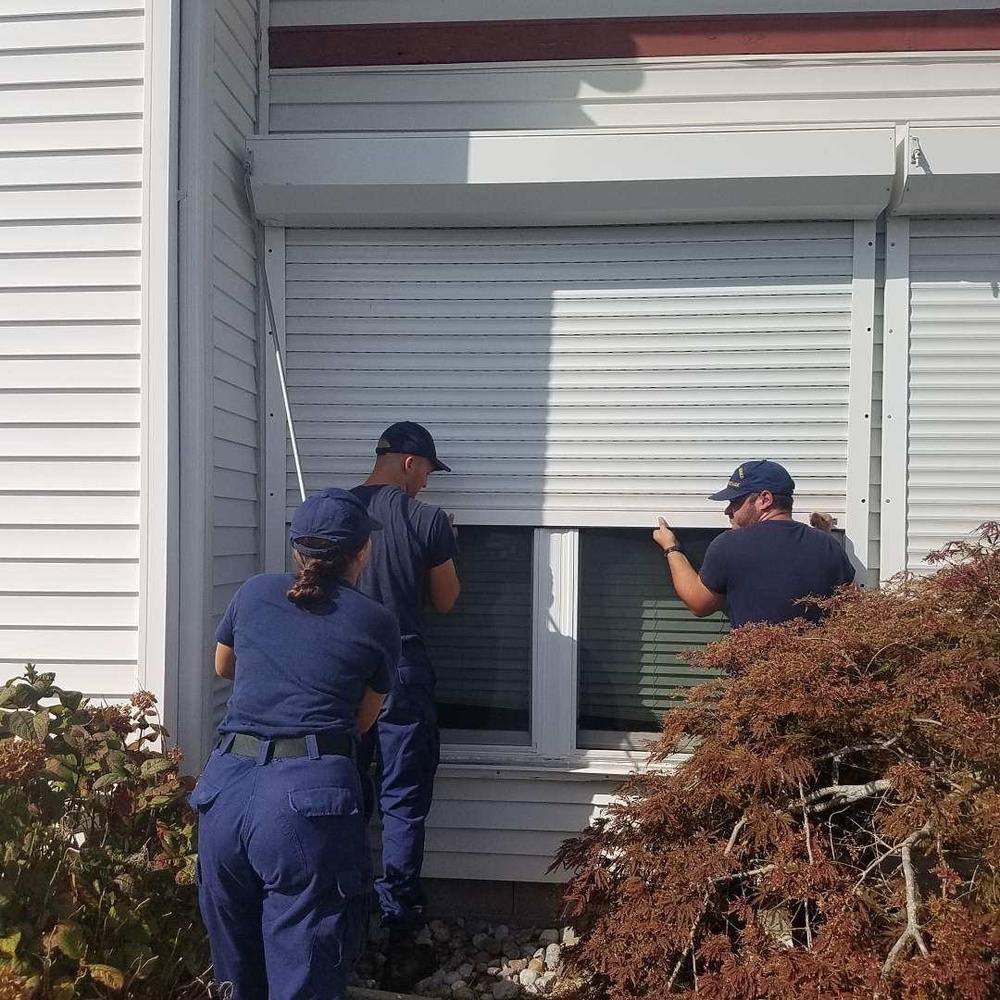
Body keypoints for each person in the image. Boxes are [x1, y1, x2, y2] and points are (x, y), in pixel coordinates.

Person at [190, 488, 399, 1000]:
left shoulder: (256, 591)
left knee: (234, 968)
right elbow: (364, 719)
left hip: (225, 791)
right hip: (306, 804)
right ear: (362, 553)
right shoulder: (376, 621)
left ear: (295, 551)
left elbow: (224, 666)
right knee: (304, 963)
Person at [350, 420, 461, 990]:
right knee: (401, 802)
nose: (425, 487)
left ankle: (340, 925)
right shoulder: (425, 520)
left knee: (343, 793)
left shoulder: (335, 510)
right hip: (400, 673)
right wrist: (444, 549)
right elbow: (446, 600)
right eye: (427, 475)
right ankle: (398, 938)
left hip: (340, 674)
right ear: (410, 463)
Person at [652, 459, 855, 627]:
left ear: (764, 499)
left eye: (736, 501)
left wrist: (671, 548)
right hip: (815, 673)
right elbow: (849, 605)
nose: (728, 510)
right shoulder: (828, 546)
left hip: (754, 674)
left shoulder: (729, 545)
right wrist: (823, 534)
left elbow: (699, 604)